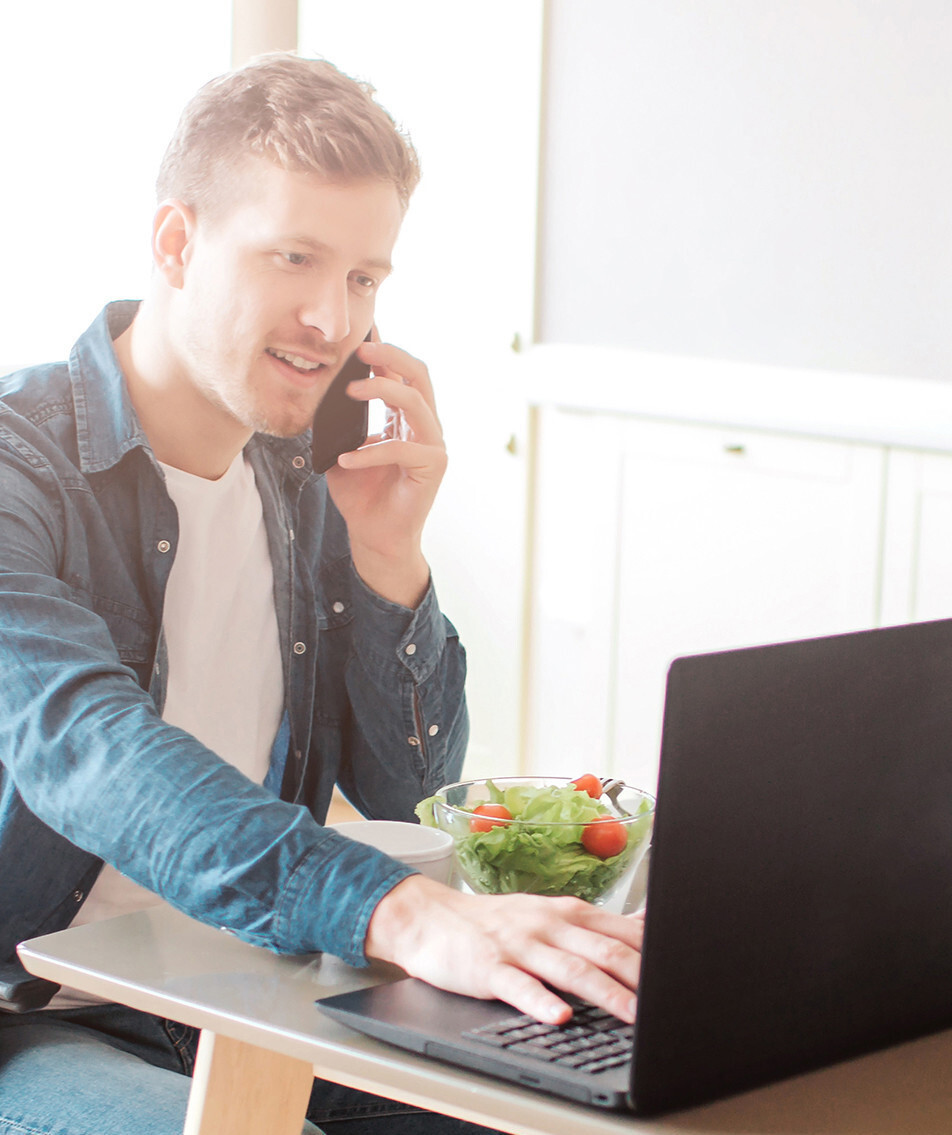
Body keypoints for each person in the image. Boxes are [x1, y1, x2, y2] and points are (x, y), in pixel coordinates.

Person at [0, 53, 643, 1135]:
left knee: (573, 1110)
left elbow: (410, 797)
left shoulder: (299, 480)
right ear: (177, 243)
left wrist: (391, 562)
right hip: (35, 1013)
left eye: (363, 278)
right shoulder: (25, 467)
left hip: (249, 983)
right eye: (292, 258)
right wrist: (393, 910)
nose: (330, 317)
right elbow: (83, 742)